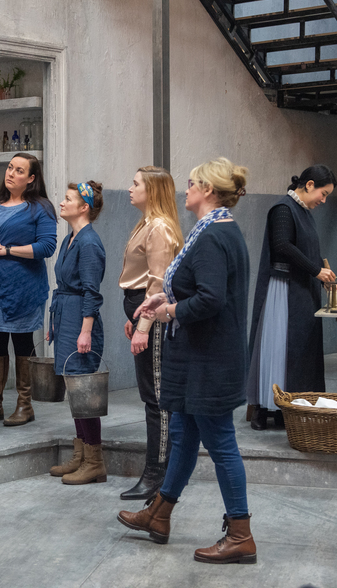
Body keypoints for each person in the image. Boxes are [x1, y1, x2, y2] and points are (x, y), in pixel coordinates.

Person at [118, 157, 255, 565]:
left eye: (194, 183)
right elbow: (200, 286)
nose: (187, 188)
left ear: (209, 191)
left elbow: (212, 298)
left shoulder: (215, 235)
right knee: (181, 431)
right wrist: (167, 297)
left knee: (220, 442)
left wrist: (171, 312)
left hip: (208, 358)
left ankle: (241, 533)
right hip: (198, 356)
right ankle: (159, 515)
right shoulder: (214, 229)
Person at [0, 153, 57, 427]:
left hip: (23, 286)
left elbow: (47, 247)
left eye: (19, 170)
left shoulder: (41, 208)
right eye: (10, 167)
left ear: (31, 179)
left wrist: (7, 250)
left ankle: (25, 405)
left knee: (22, 342)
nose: (11, 173)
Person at [246, 165, 337, 431]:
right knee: (278, 349)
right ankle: (266, 407)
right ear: (309, 185)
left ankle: (291, 406)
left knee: (297, 352)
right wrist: (316, 271)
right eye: (323, 193)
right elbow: (283, 246)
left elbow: (308, 251)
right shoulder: (283, 209)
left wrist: (326, 277)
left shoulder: (305, 212)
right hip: (282, 289)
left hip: (300, 288)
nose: (323, 199)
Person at [118, 166, 183, 500]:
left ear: (152, 191)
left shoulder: (158, 227)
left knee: (156, 399)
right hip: (143, 313)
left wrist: (144, 324)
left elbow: (158, 283)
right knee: (151, 397)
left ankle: (157, 474)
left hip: (154, 319)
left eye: (135, 183)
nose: (130, 188)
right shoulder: (146, 223)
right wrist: (135, 315)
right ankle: (157, 470)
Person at [48, 181, 107, 485]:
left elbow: (91, 293)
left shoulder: (89, 243)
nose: (62, 202)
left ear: (83, 207)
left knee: (84, 391)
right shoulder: (69, 239)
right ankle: (80, 454)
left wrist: (85, 332)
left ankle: (94, 461)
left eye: (68, 199)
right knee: (74, 391)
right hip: (66, 316)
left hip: (81, 321)